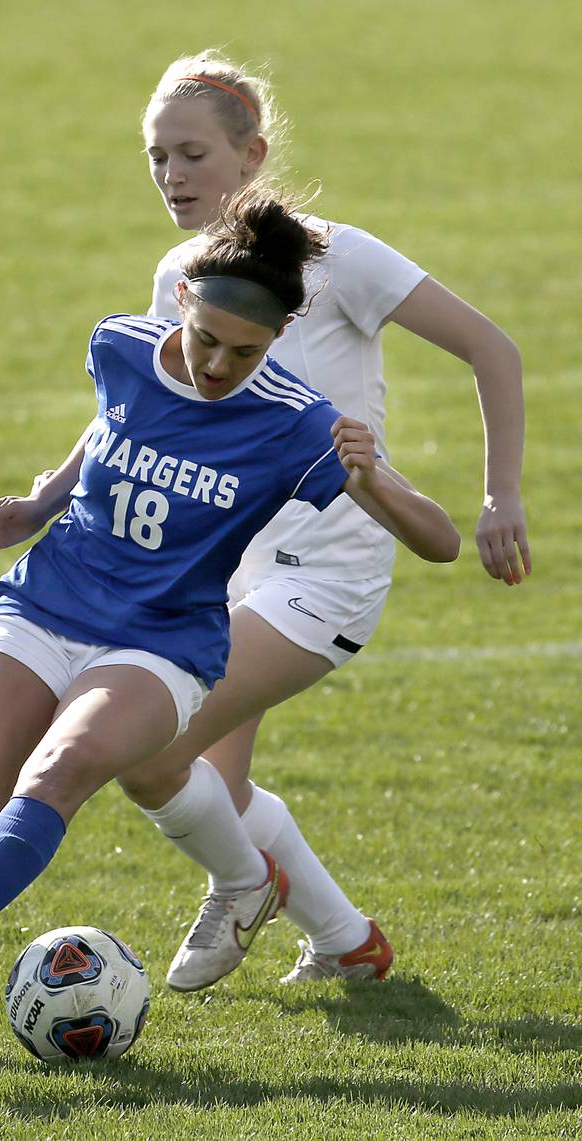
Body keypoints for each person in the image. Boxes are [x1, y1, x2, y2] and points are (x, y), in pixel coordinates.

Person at [0, 188, 460, 1068]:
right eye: (207, 338)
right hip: (48, 603)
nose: (219, 364)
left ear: (280, 337)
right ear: (181, 301)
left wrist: (372, 480)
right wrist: (37, 504)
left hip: (162, 644)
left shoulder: (296, 423)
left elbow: (440, 542)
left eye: (245, 350)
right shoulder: (120, 345)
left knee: (63, 768)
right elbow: (108, 431)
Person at [105, 52, 530, 994]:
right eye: (155, 157)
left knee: (151, 745)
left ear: (251, 156)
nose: (172, 176)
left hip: (323, 578)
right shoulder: (178, 274)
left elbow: (491, 350)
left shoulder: (338, 258)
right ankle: (347, 943)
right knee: (220, 783)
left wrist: (501, 495)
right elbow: (162, 425)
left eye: (191, 154)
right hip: (229, 569)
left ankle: (239, 886)